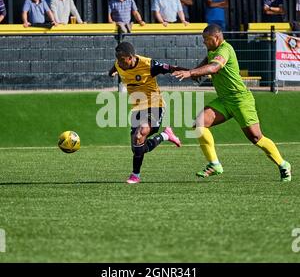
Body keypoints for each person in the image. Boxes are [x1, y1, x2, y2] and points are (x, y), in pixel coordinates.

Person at [172, 24, 291, 182]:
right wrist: (197, 70)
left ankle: (283, 165)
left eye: (206, 39)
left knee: (256, 138)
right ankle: (214, 164)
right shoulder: (213, 49)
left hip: (240, 99)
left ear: (217, 38)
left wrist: (190, 72)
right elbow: (208, 59)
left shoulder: (225, 49)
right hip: (224, 100)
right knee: (199, 124)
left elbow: (214, 67)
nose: (204, 43)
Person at [109, 41, 182, 184]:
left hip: (155, 105)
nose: (119, 63)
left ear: (131, 57)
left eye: (122, 60)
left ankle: (135, 175)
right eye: (118, 60)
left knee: (140, 133)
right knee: (137, 148)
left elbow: (170, 68)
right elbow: (114, 68)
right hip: (137, 108)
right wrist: (112, 72)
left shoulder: (148, 64)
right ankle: (165, 136)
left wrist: (191, 73)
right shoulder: (119, 64)